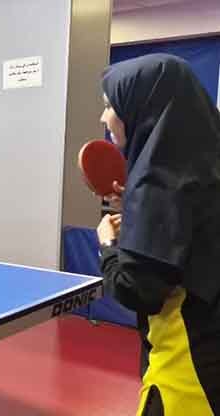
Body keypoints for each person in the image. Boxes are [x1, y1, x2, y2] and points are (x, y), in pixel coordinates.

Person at [96, 53, 220, 415]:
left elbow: (137, 290)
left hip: (187, 366)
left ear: (141, 108)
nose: (104, 117)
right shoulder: (204, 166)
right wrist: (138, 212)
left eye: (110, 106)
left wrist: (109, 246)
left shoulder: (157, 186)